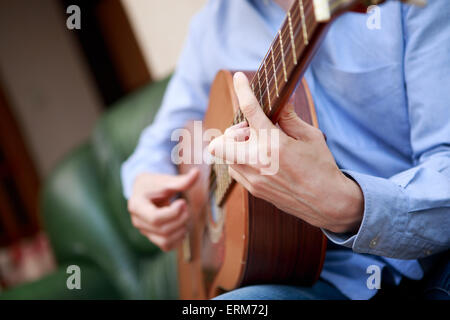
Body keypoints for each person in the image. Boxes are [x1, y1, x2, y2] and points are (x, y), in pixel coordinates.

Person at [121, 0, 450, 300]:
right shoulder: (212, 26)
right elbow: (162, 142)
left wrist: (345, 205)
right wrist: (144, 182)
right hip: (307, 278)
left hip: (431, 257)